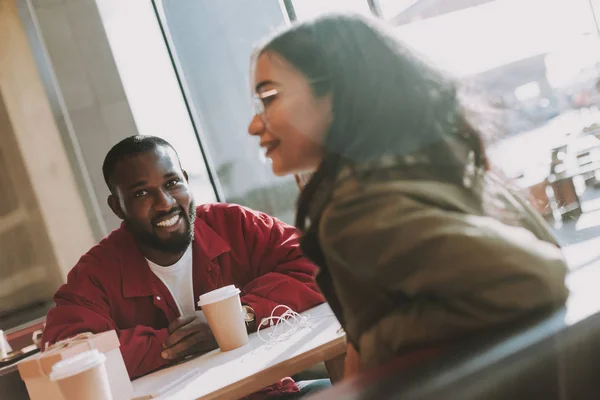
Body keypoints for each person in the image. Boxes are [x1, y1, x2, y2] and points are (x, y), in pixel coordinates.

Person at [247, 14, 569, 376]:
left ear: (338, 94)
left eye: (269, 97)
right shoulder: (435, 169)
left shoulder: (361, 205)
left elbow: (533, 277)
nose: (254, 124)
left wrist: (374, 340)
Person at [42, 135, 328, 398]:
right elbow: (65, 354)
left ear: (186, 181)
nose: (165, 203)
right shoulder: (97, 272)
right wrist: (176, 344)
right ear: (117, 207)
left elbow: (316, 265)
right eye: (142, 193)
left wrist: (238, 316)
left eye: (172, 183)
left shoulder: (234, 224)